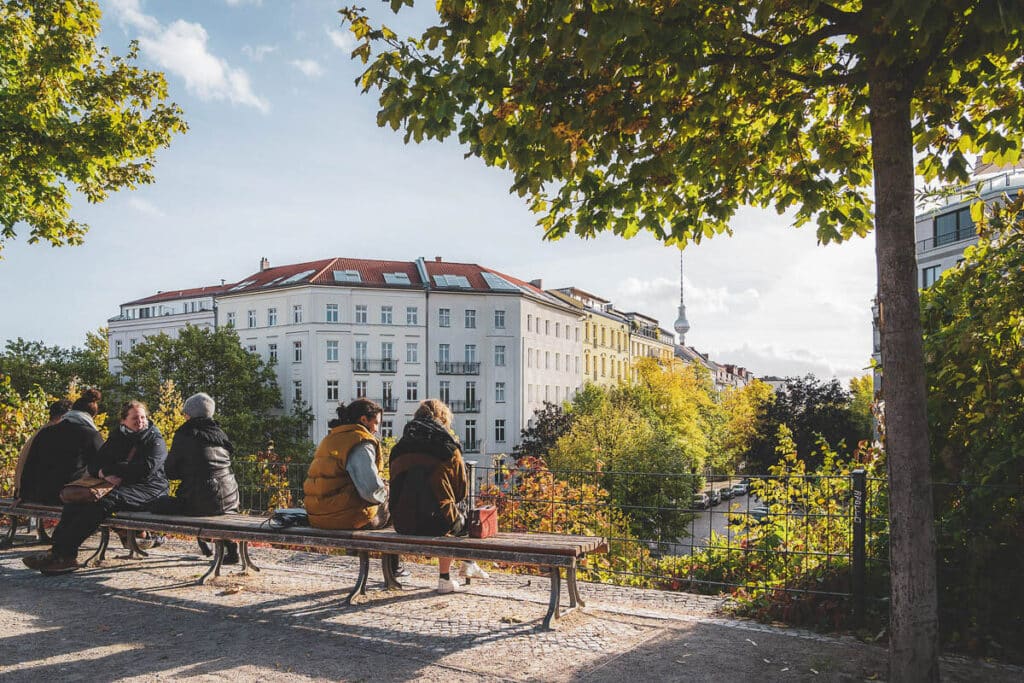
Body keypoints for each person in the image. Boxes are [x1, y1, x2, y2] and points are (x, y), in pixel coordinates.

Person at [23, 400, 169, 575]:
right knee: (77, 502)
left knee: (103, 501)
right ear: (124, 421)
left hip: (150, 489)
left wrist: (111, 470)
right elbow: (94, 464)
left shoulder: (154, 439)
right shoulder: (118, 437)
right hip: (121, 485)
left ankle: (64, 554)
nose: (141, 422)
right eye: (135, 418)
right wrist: (104, 473)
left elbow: (145, 469)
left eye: (143, 417)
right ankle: (58, 553)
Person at [389, 399, 489, 594]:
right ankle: (452, 573)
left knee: (447, 512)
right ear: (442, 420)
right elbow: (461, 491)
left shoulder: (398, 449)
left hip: (402, 521)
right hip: (435, 522)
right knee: (455, 517)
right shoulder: (448, 448)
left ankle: (467, 564)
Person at [148, 392, 241, 564]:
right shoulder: (220, 435)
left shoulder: (186, 434)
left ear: (189, 414)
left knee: (157, 503)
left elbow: (171, 472)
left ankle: (141, 539)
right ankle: (228, 546)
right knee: (209, 503)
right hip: (230, 499)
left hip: (199, 502)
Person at [18, 392, 102, 506]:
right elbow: (104, 465)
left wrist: (23, 495)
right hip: (68, 496)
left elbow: (30, 465)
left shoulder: (46, 432)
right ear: (92, 416)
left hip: (40, 494)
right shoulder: (91, 435)